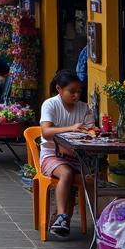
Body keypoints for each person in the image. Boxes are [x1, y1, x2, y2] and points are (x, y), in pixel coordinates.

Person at [39, 69, 97, 239]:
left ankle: (101, 222)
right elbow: (46, 132)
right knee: (66, 173)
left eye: (79, 91)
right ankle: (62, 217)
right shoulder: (50, 104)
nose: (76, 96)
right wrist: (71, 128)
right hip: (51, 156)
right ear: (59, 89)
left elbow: (90, 130)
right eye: (72, 91)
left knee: (92, 180)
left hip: (76, 157)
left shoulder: (84, 108)